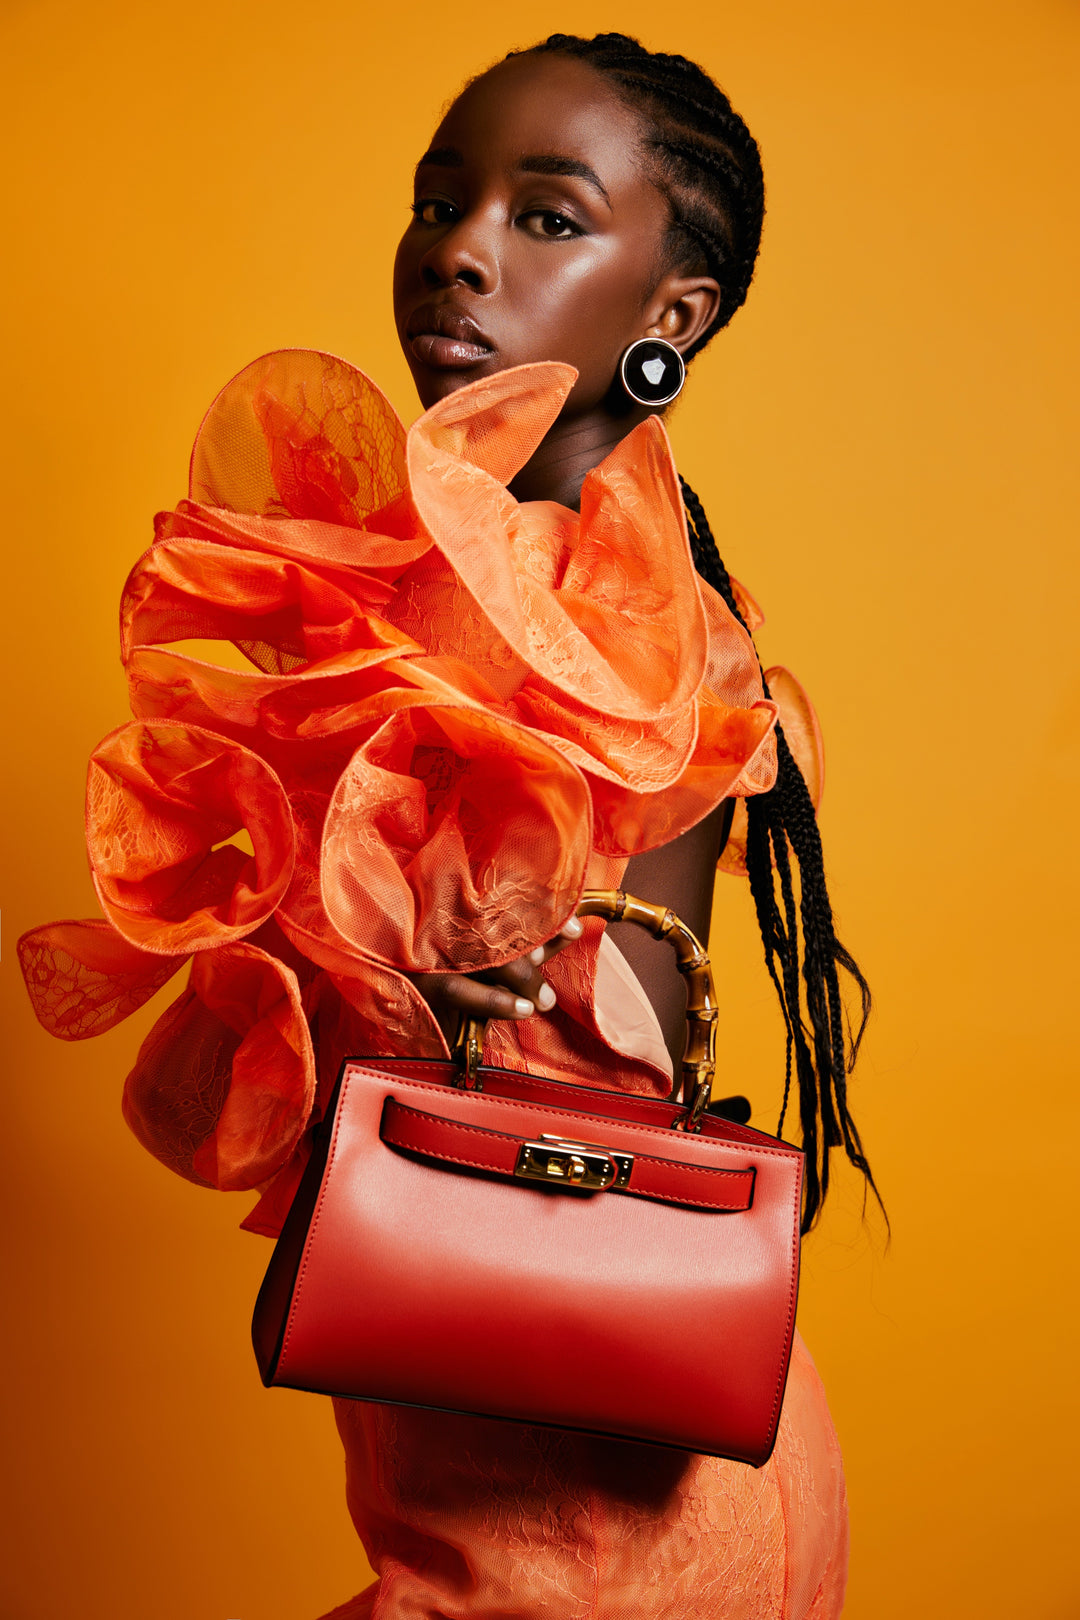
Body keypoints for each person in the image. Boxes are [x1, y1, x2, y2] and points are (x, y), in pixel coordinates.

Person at [19, 32, 878, 1619]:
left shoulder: (619, 626)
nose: (460, 248)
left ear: (671, 316)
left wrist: (463, 956)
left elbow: (583, 1022)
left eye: (549, 215)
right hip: (598, 1456)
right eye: (438, 200)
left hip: (592, 1513)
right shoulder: (477, 595)